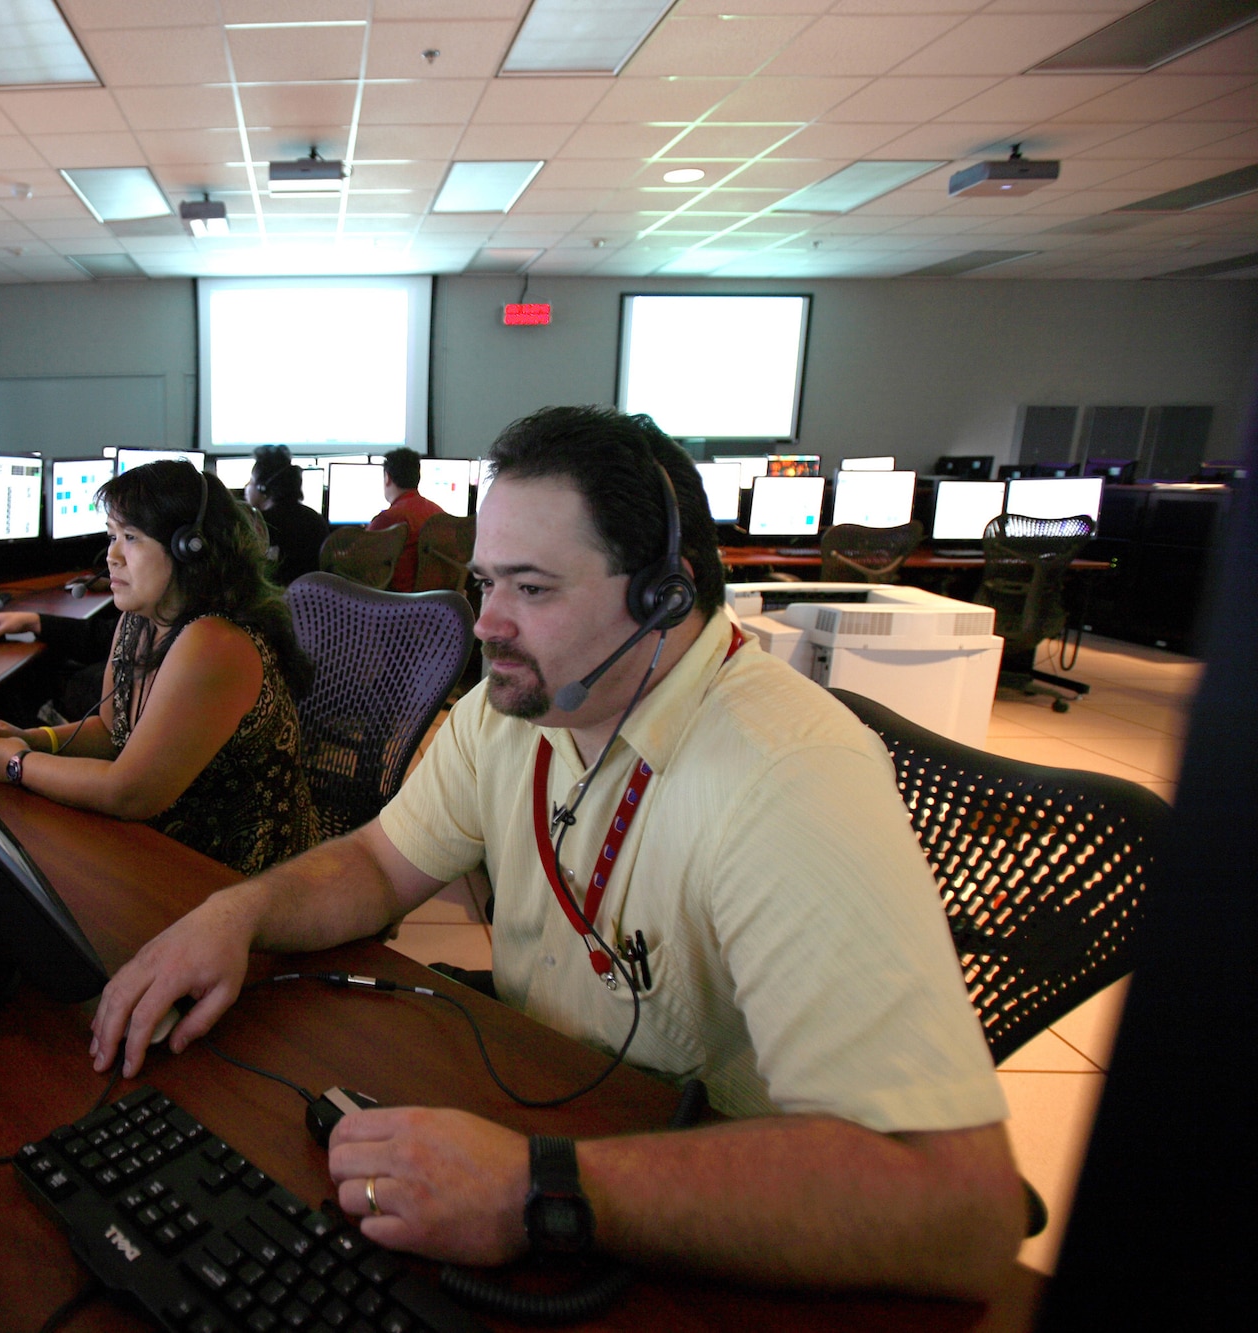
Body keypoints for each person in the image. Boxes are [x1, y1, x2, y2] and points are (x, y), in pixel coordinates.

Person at [87, 408, 1024, 1298]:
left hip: (718, 1211)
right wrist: (238, 911)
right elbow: (375, 864)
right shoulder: (518, 710)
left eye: (531, 589)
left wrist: (539, 1190)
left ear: (663, 595)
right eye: (486, 582)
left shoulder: (789, 777)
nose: (486, 622)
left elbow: (957, 1206)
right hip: (551, 1103)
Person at [0, 461, 322, 877]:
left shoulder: (215, 643)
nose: (111, 556)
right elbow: (110, 732)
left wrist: (17, 763)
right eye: (112, 536)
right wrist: (30, 738)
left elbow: (129, 794)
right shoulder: (141, 620)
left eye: (130, 538)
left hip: (243, 873)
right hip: (172, 841)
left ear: (190, 547)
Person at [243, 446, 328, 587]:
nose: (246, 486)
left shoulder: (259, 526)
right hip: (312, 600)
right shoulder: (316, 520)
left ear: (262, 488)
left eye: (251, 481)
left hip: (273, 599)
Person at [366, 447, 444, 592]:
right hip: (437, 601)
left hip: (396, 601)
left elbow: (360, 564)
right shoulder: (438, 513)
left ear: (387, 478)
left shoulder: (388, 519)